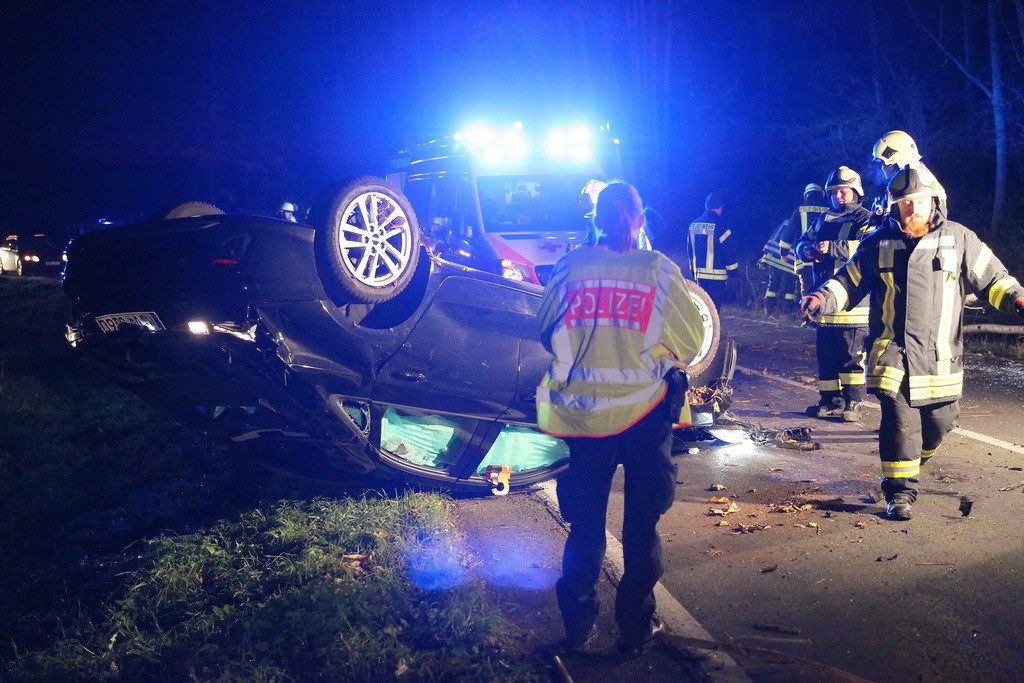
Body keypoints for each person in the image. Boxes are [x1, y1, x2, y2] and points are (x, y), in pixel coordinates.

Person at [536, 182, 706, 656]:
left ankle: (578, 626)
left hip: (584, 415)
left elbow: (544, 327)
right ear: (638, 219)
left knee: (586, 525)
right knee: (641, 526)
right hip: (644, 413)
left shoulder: (570, 266)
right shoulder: (657, 271)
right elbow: (692, 344)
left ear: (595, 218)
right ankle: (635, 629)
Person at [800, 166, 1024, 520]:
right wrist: (820, 298)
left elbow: (993, 277)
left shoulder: (960, 239)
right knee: (899, 420)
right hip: (892, 352)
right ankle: (900, 494)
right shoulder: (878, 243)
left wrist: (1016, 298)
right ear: (893, 207)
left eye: (918, 201)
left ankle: (914, 459)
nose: (912, 208)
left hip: (940, 356)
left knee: (941, 422)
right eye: (904, 203)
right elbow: (847, 281)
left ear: (933, 201)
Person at [794, 167, 873, 422]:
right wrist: (806, 251)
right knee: (826, 358)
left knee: (851, 358)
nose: (839, 196)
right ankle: (829, 401)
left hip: (853, 305)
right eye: (834, 192)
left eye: (844, 191)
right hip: (824, 305)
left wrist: (833, 248)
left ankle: (853, 403)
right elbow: (801, 241)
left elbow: (869, 250)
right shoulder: (824, 219)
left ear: (856, 192)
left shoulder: (866, 219)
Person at [760, 183, 828, 313]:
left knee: (807, 288)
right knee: (824, 287)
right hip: (825, 258)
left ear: (806, 195)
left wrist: (784, 253)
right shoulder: (828, 209)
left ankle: (809, 316)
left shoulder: (800, 210)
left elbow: (787, 234)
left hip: (804, 258)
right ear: (821, 194)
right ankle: (823, 315)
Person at [869, 130, 946, 224]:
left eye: (885, 164)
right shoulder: (920, 174)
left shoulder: (912, 181)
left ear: (897, 162)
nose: (883, 169)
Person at [687, 192, 738, 304]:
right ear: (720, 208)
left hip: (699, 276)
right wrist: (733, 272)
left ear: (706, 206)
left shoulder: (693, 225)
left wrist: (693, 271)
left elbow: (690, 251)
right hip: (717, 278)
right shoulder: (721, 225)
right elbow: (728, 251)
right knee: (714, 310)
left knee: (703, 308)